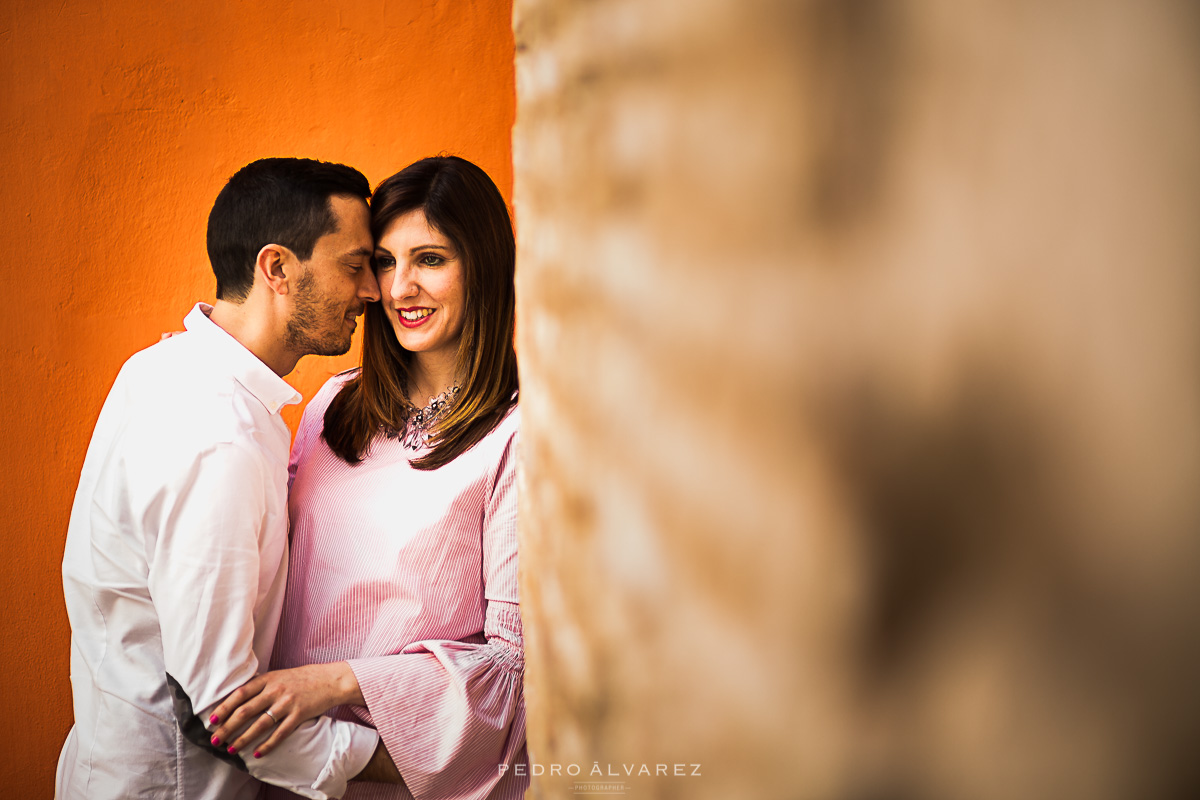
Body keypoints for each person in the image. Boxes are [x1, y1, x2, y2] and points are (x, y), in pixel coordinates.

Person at [57, 157, 403, 800]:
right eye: (355, 266)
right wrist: (419, 762)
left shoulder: (160, 367)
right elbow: (218, 713)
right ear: (277, 268)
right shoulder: (221, 441)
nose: (374, 292)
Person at [208, 155, 528, 799]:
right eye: (383, 262)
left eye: (431, 260)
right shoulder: (332, 403)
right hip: (274, 766)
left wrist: (334, 681)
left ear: (485, 268)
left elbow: (512, 670)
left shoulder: (520, 436)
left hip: (391, 772)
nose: (398, 288)